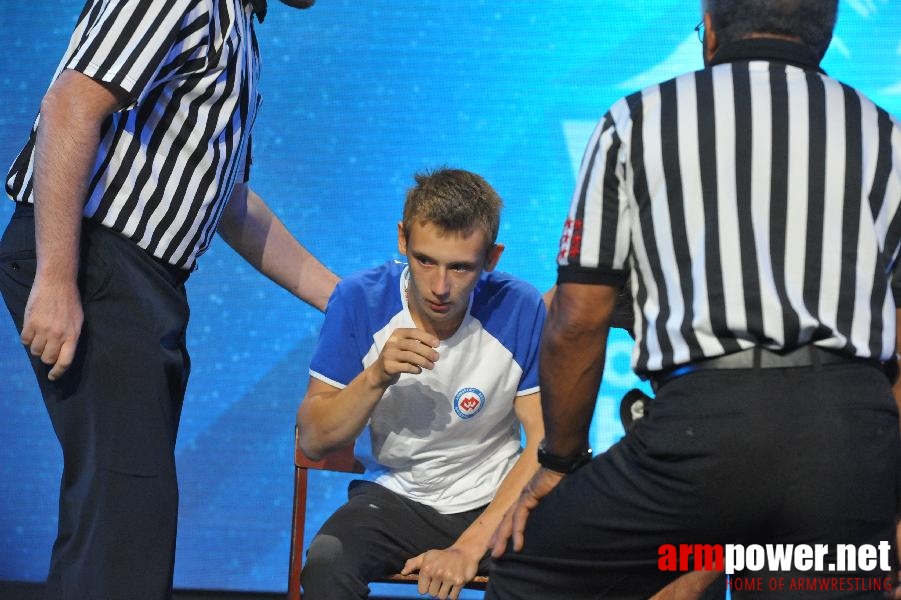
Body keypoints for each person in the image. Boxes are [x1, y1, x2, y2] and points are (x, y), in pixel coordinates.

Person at [487, 0, 901, 598]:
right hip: (848, 438)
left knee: (527, 568)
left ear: (708, 28)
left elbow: (576, 320)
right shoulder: (887, 138)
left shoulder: (636, 123)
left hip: (702, 434)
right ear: (827, 32)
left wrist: (559, 463)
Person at [0, 1, 337, 599]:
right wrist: (57, 277)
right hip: (96, 258)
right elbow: (70, 104)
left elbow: (228, 203)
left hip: (137, 279)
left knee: (119, 505)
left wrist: (344, 299)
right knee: (127, 505)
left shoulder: (239, 29)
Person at [296, 168, 545, 600]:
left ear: (492, 259)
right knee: (327, 564)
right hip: (396, 499)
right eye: (425, 260)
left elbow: (546, 442)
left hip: (495, 497)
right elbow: (315, 439)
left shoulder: (518, 306)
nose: (440, 287)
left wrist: (470, 546)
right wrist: (376, 376)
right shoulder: (359, 299)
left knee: (560, 569)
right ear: (402, 239)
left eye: (461, 268)